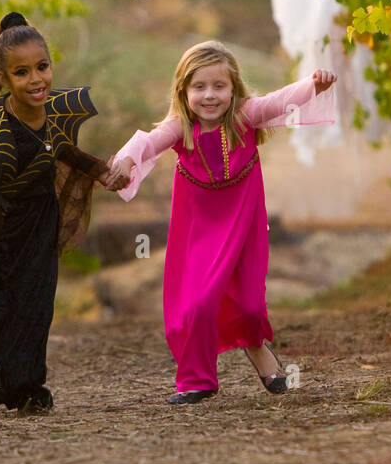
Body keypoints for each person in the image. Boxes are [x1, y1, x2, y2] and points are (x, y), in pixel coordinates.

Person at [107, 42, 336, 404]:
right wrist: (123, 162)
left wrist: (313, 84)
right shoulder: (180, 128)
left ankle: (256, 347)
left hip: (243, 222)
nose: (209, 96)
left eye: (219, 86)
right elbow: (147, 144)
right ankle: (197, 379)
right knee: (197, 305)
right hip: (198, 229)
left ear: (234, 89)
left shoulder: (246, 116)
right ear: (183, 92)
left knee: (247, 304)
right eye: (199, 87)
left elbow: (279, 100)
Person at [0, 12, 125, 414]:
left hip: (38, 221)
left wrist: (104, 173)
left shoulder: (56, 113)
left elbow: (65, 152)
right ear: (3, 77)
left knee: (32, 307)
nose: (36, 79)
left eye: (42, 67)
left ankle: (24, 389)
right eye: (22, 72)